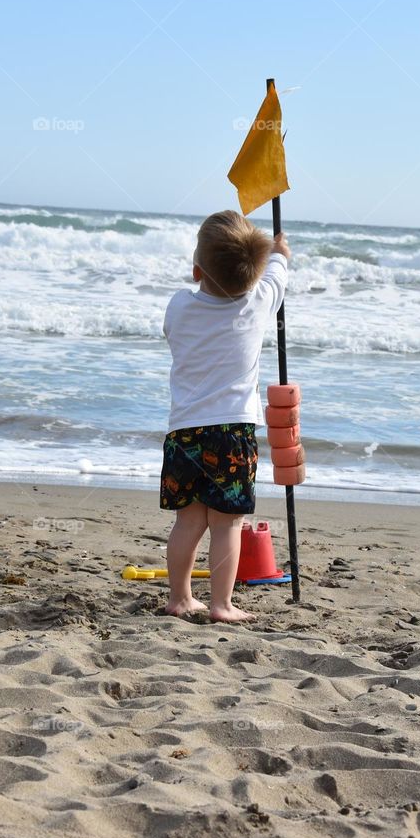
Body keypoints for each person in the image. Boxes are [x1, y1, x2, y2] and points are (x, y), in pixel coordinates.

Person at [160, 209, 289, 622]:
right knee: (227, 525)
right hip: (231, 433)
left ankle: (180, 598)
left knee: (188, 521)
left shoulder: (179, 306)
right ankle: (221, 604)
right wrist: (280, 253)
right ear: (254, 276)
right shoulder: (257, 305)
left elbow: (174, 329)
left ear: (197, 271)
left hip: (184, 432)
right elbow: (276, 278)